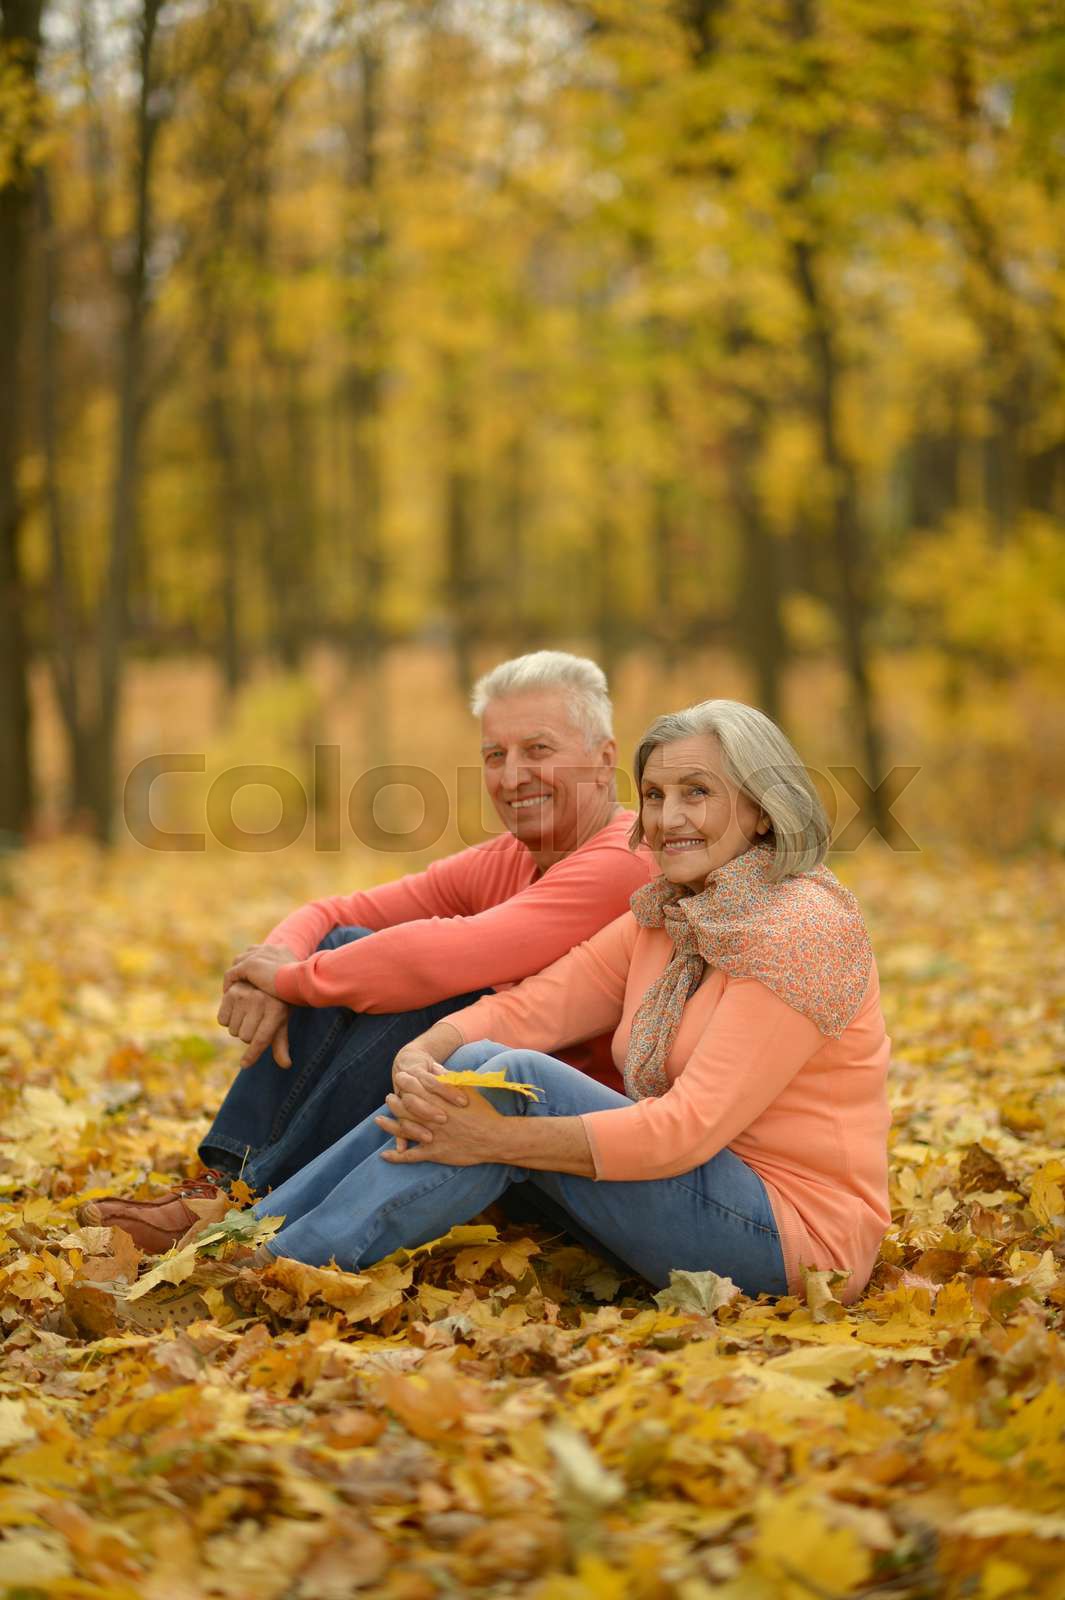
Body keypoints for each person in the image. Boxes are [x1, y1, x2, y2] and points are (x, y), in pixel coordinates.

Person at [246, 700, 892, 1304]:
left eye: (697, 792)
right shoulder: (669, 915)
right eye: (655, 796)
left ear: (759, 808)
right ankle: (249, 1242)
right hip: (687, 1194)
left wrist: (496, 1138)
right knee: (482, 1059)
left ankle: (277, 1274)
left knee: (518, 1081)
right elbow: (538, 1006)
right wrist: (427, 1048)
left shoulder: (798, 932)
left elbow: (682, 1132)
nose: (668, 819)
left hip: (794, 1246)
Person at [84, 652, 654, 1253]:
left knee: (435, 989)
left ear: (605, 759)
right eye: (495, 755)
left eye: (538, 750)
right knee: (349, 951)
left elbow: (442, 959)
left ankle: (242, 1203)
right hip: (471, 1136)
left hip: (575, 1158)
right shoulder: (505, 859)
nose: (512, 776)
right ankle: (228, 1188)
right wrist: (275, 966)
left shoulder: (625, 860)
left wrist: (295, 981)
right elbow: (336, 914)